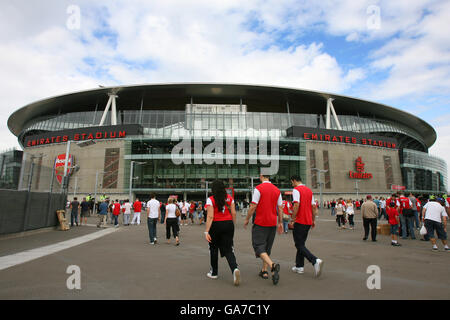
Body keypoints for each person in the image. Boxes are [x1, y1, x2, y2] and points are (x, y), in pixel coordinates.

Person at [244, 174, 283, 285]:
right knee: (267, 248)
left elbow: (253, 206)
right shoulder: (277, 190)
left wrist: (247, 219)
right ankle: (264, 271)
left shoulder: (258, 189)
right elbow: (280, 207)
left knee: (258, 246)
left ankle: (272, 266)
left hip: (261, 222)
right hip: (272, 223)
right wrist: (280, 222)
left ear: (261, 176)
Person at [204, 180, 240, 286]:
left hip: (215, 225)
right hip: (228, 224)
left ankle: (214, 272)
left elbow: (210, 216)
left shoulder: (211, 199)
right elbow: (233, 212)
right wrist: (232, 224)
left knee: (213, 248)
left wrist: (206, 231)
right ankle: (234, 269)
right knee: (228, 249)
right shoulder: (230, 198)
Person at [290, 176, 324, 277]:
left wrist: (293, 218)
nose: (292, 184)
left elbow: (296, 205)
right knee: (301, 244)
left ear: (295, 181)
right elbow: (314, 207)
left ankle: (315, 260)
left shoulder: (296, 190)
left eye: (292, 182)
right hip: (308, 221)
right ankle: (299, 266)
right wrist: (313, 220)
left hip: (300, 221)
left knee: (299, 245)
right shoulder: (309, 190)